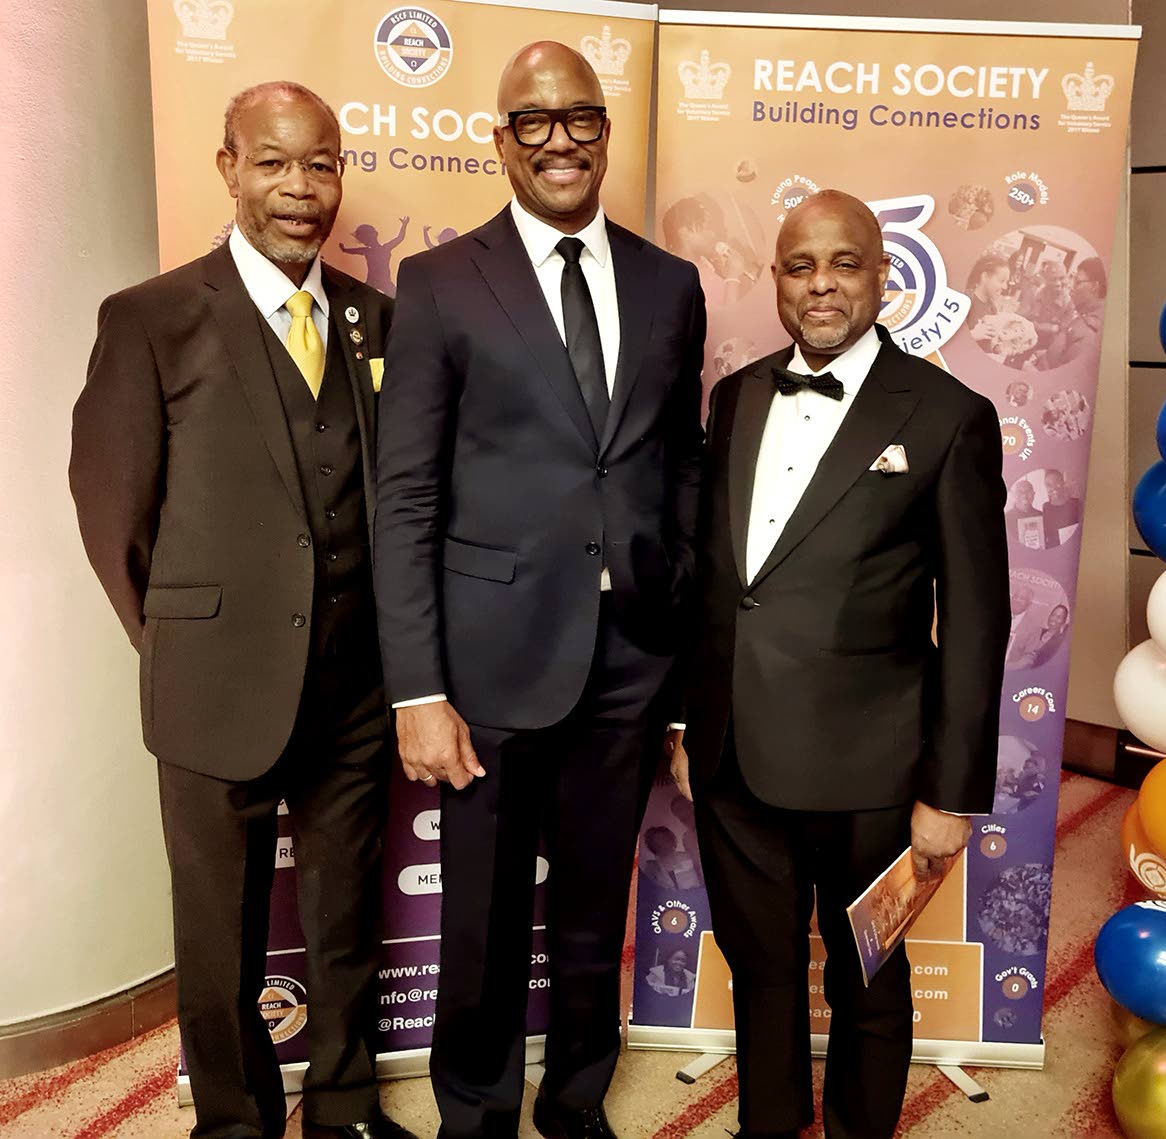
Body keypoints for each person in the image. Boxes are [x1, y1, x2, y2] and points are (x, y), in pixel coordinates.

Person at [373, 41, 705, 1139]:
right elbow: (407, 493)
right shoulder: (437, 283)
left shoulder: (669, 284)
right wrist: (416, 685)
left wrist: (683, 667)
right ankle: (472, 1111)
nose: (558, 139)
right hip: (487, 654)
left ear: (605, 131)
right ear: (500, 138)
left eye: (579, 117)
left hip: (629, 653)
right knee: (479, 907)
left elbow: (676, 471)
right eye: (532, 120)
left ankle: (573, 1101)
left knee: (590, 902)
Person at [69, 82, 411, 1139]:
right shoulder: (151, 318)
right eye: (273, 162)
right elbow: (111, 514)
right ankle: (233, 1120)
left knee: (346, 915)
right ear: (228, 166)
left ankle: (344, 1105)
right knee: (219, 933)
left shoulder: (375, 320)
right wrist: (184, 636)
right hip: (213, 683)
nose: (300, 188)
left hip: (356, 685)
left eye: (319, 163)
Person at [668, 190, 1008, 1139]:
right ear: (776, 278)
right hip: (734, 754)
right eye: (799, 264)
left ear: (882, 274)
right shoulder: (733, 398)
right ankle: (767, 1125)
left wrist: (950, 792)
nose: (820, 283)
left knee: (867, 972)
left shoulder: (949, 416)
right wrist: (690, 725)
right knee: (760, 967)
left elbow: (978, 619)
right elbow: (714, 584)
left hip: (871, 763)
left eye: (843, 262)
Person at [1041, 257, 1106, 369]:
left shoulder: (1091, 331)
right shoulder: (1085, 316)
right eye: (1071, 278)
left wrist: (1031, 369)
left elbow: (1064, 378)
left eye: (1077, 281)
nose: (1070, 286)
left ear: (1094, 287)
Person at [1006, 582, 1045, 669]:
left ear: (1029, 604)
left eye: (1022, 598)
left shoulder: (1035, 627)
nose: (1017, 600)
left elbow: (1029, 657)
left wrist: (1010, 668)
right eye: (1015, 596)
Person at [1041, 468, 1082, 548]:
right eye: (1049, 485)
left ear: (1063, 483)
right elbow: (1046, 535)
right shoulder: (1046, 507)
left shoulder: (1075, 503)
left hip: (1072, 548)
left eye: (1057, 482)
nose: (1053, 488)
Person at [1005, 478, 1044, 549]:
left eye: (1028, 492)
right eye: (1020, 492)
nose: (1024, 496)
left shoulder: (1041, 516)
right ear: (1015, 495)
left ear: (1033, 494)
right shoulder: (1006, 518)